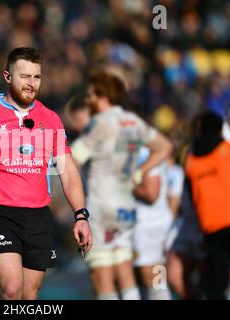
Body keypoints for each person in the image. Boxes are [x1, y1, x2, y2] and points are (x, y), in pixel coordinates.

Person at [0, 47, 92, 300]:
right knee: (11, 289)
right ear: (7, 76)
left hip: (37, 216)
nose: (31, 83)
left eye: (36, 77)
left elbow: (68, 172)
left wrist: (81, 215)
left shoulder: (51, 119)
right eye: (24, 76)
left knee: (29, 294)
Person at [71, 68, 172, 300]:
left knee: (102, 278)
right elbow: (165, 147)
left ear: (101, 95)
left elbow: (72, 160)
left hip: (101, 206)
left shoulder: (100, 124)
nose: (88, 100)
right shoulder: (133, 121)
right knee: (125, 274)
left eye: (90, 95)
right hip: (126, 206)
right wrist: (138, 172)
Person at [184, 110, 230, 300]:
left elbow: (191, 197)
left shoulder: (190, 160)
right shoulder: (229, 150)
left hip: (211, 227)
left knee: (217, 283)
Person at [133, 146, 173, 300]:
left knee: (153, 276)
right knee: (142, 278)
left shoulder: (144, 153)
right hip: (146, 224)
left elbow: (151, 194)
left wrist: (124, 183)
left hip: (149, 225)